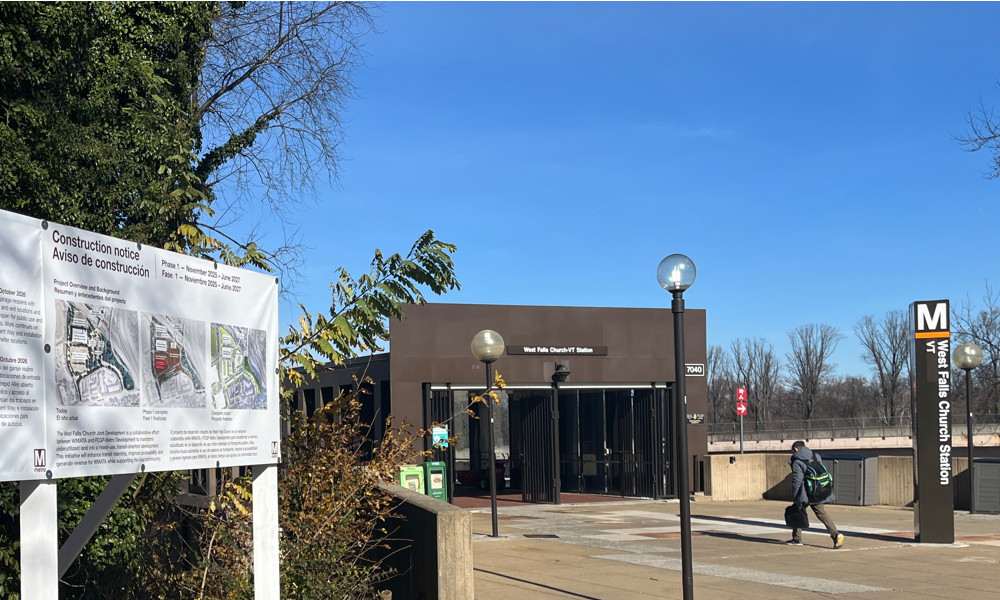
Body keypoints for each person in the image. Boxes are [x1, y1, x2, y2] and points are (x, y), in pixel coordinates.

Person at [787, 440, 844, 548]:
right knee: (822, 514)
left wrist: (795, 495)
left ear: (795, 449)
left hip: (805, 492)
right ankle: (836, 535)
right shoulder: (816, 456)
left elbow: (797, 480)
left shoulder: (797, 460)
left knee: (797, 511)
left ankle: (797, 539)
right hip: (818, 490)